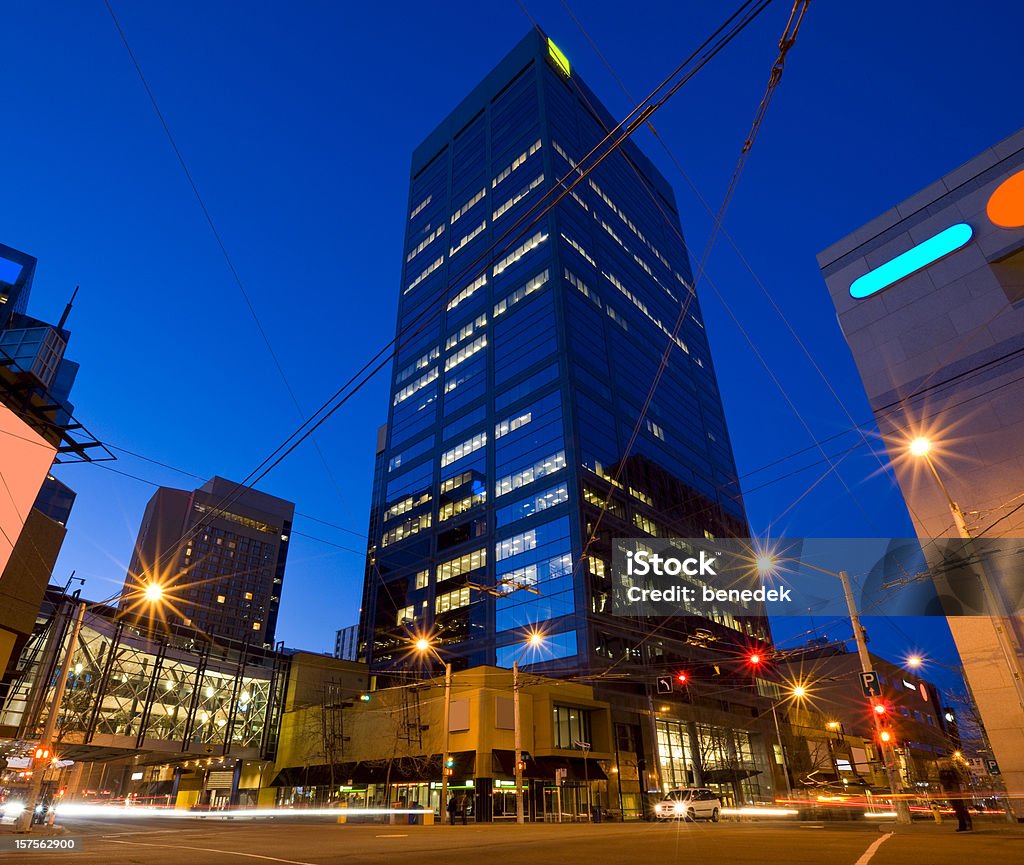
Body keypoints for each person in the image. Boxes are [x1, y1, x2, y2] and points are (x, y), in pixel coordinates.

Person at [938, 760, 973, 832]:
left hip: (954, 791)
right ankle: (964, 824)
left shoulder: (951, 770)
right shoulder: (942, 771)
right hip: (951, 791)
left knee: (960, 808)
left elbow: (959, 779)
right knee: (958, 809)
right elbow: (942, 783)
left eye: (943, 763)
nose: (942, 765)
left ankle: (964, 824)